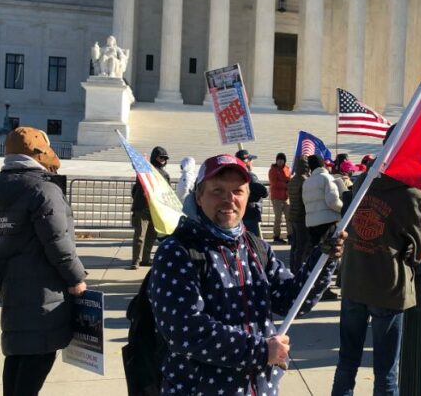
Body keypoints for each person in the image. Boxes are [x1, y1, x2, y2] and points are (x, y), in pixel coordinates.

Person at [148, 153, 347, 395]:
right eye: (217, 191)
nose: (228, 199)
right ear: (199, 196)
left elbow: (292, 300)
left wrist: (323, 259)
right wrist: (261, 351)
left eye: (237, 191)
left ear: (248, 196)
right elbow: (185, 330)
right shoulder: (177, 250)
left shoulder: (256, 247)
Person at [0, 127, 87, 396]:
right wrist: (76, 278)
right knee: (37, 358)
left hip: (13, 287)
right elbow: (58, 242)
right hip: (44, 291)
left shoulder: (0, 189)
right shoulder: (42, 189)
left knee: (18, 357)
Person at [331, 159, 421, 396]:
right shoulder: (411, 194)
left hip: (355, 279)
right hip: (387, 286)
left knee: (347, 361)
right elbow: (420, 250)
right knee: (386, 371)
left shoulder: (363, 180)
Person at [129, 145, 170, 269]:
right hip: (142, 207)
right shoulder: (144, 171)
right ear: (154, 157)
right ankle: (136, 261)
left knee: (151, 236)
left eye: (164, 158)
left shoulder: (164, 174)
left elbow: (166, 192)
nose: (162, 160)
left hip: (155, 208)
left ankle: (145, 259)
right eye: (160, 157)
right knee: (140, 235)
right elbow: (137, 188)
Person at [302, 154, 342, 249]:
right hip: (328, 221)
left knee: (316, 253)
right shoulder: (327, 178)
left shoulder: (306, 182)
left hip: (311, 223)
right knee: (330, 254)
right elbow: (333, 201)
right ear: (323, 164)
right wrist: (343, 208)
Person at [236, 148, 268, 238]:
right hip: (250, 213)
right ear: (246, 162)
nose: (252, 162)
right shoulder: (249, 176)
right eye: (250, 160)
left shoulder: (235, 174)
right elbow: (264, 192)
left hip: (241, 213)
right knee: (254, 243)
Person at [288, 156, 310, 272]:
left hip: (293, 215)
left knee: (295, 245)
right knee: (301, 246)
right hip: (302, 216)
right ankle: (298, 270)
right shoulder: (305, 181)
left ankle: (293, 267)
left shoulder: (292, 180)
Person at [269, 153, 291, 244]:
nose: (280, 161)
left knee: (288, 217)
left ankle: (290, 235)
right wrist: (286, 184)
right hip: (276, 197)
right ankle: (276, 235)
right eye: (278, 160)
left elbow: (289, 179)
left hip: (286, 197)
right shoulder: (273, 170)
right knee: (278, 218)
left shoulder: (287, 169)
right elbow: (274, 183)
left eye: (281, 160)